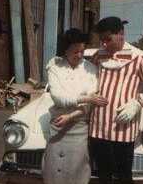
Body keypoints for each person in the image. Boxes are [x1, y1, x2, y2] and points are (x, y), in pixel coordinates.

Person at [89, 16, 143, 184]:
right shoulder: (98, 55)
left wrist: (138, 104)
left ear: (121, 33)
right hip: (98, 129)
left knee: (124, 177)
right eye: (101, 40)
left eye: (108, 39)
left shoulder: (140, 57)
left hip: (123, 129)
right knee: (103, 176)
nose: (104, 44)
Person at [42, 28, 108, 184]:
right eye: (74, 52)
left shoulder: (90, 69)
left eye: (82, 51)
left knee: (77, 170)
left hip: (79, 129)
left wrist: (71, 116)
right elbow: (58, 98)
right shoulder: (55, 65)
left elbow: (91, 105)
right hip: (57, 126)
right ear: (65, 50)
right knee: (54, 170)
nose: (79, 55)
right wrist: (86, 98)